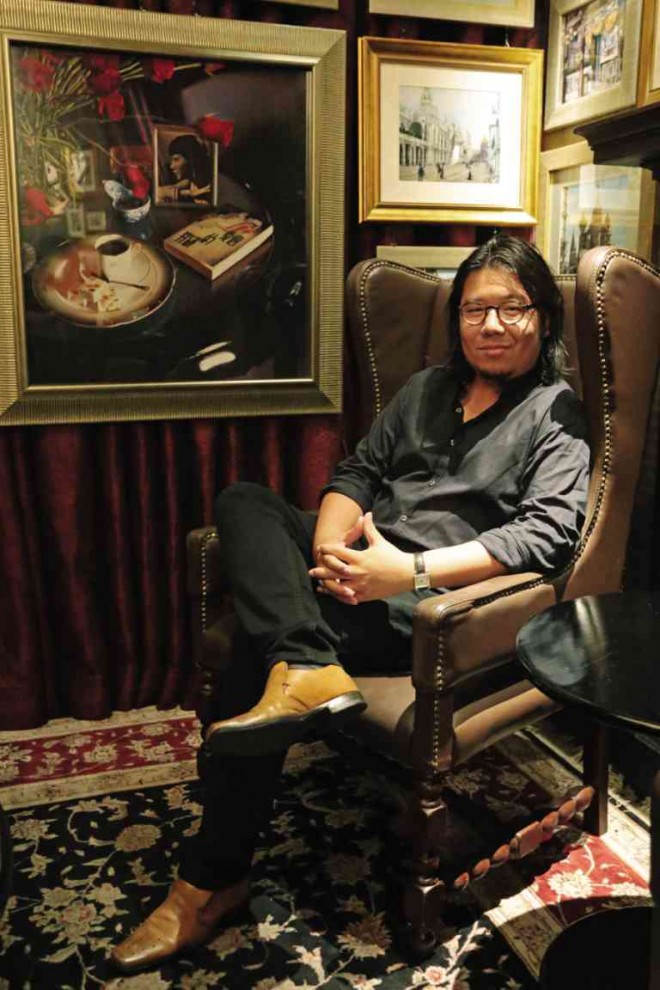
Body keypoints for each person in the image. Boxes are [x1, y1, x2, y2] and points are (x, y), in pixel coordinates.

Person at [110, 234, 590, 972]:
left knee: (250, 642)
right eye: (475, 309)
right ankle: (307, 663)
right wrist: (333, 550)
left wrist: (407, 574)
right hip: (363, 564)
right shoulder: (427, 388)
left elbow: (545, 536)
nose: (492, 325)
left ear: (544, 318)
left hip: (433, 606)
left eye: (512, 308)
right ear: (457, 318)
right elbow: (359, 472)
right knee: (245, 502)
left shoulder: (557, 412)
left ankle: (209, 880)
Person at [157, 133, 212, 205]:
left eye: (176, 159)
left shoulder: (204, 182)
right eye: (171, 161)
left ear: (190, 160)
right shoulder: (188, 181)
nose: (171, 166)